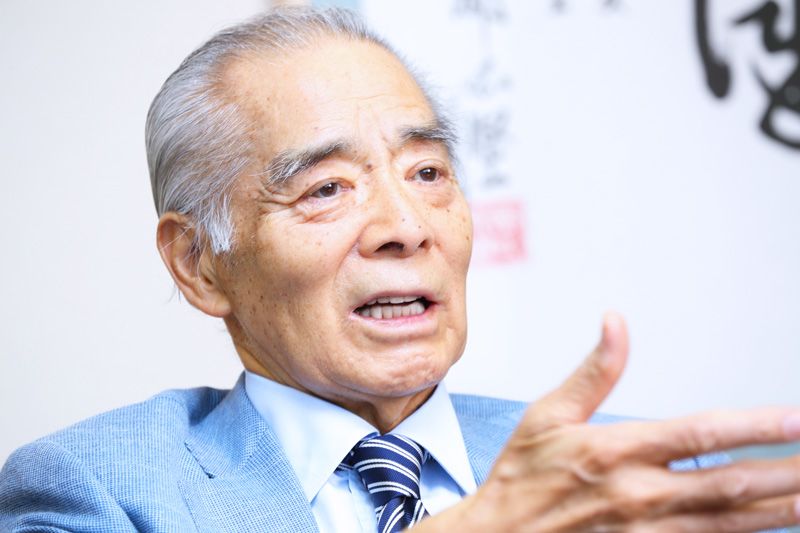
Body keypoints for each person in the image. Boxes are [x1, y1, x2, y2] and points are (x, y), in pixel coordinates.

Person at [1, 7, 799, 532]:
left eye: (427, 173)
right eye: (325, 188)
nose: (406, 227)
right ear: (199, 263)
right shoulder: (95, 489)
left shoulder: (628, 478)